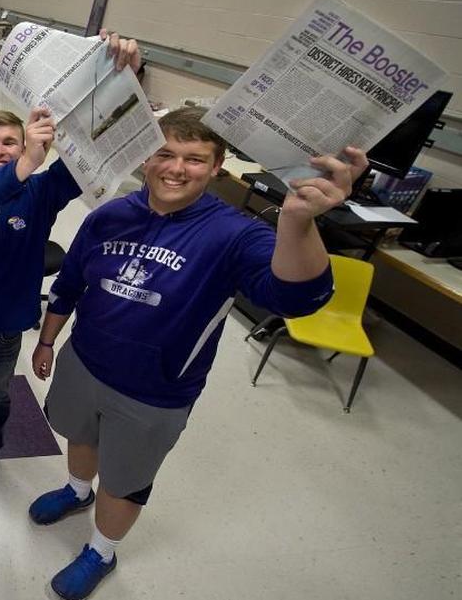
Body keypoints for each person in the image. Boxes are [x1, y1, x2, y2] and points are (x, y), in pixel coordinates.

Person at [28, 106, 365, 600]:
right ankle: (78, 491)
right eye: (165, 153)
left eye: (194, 158)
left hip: (155, 389)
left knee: (124, 481)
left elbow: (298, 299)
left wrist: (297, 222)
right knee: (80, 434)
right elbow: (72, 283)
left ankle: (101, 550)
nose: (176, 168)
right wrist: (46, 340)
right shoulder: (109, 216)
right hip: (84, 360)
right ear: (145, 158)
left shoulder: (233, 234)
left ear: (217, 166)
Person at [0, 31, 140, 484]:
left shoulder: (41, 190)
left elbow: (94, 148)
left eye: (10, 143)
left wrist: (126, 77)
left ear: (26, 145)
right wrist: (23, 166)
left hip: (5, 326)